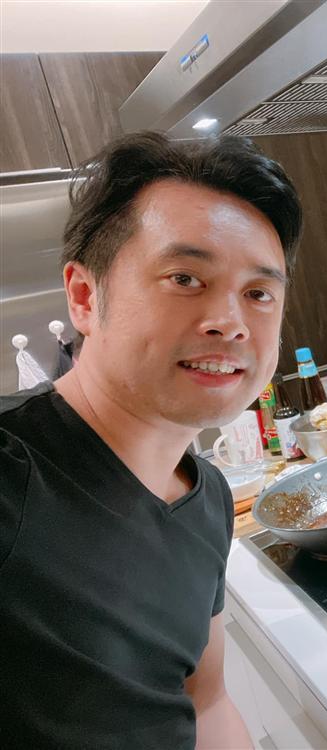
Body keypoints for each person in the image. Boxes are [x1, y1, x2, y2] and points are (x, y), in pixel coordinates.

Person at [0, 132, 302, 747]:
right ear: (85, 297)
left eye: (258, 293)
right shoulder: (10, 475)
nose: (231, 323)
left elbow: (207, 704)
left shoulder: (206, 496)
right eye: (185, 278)